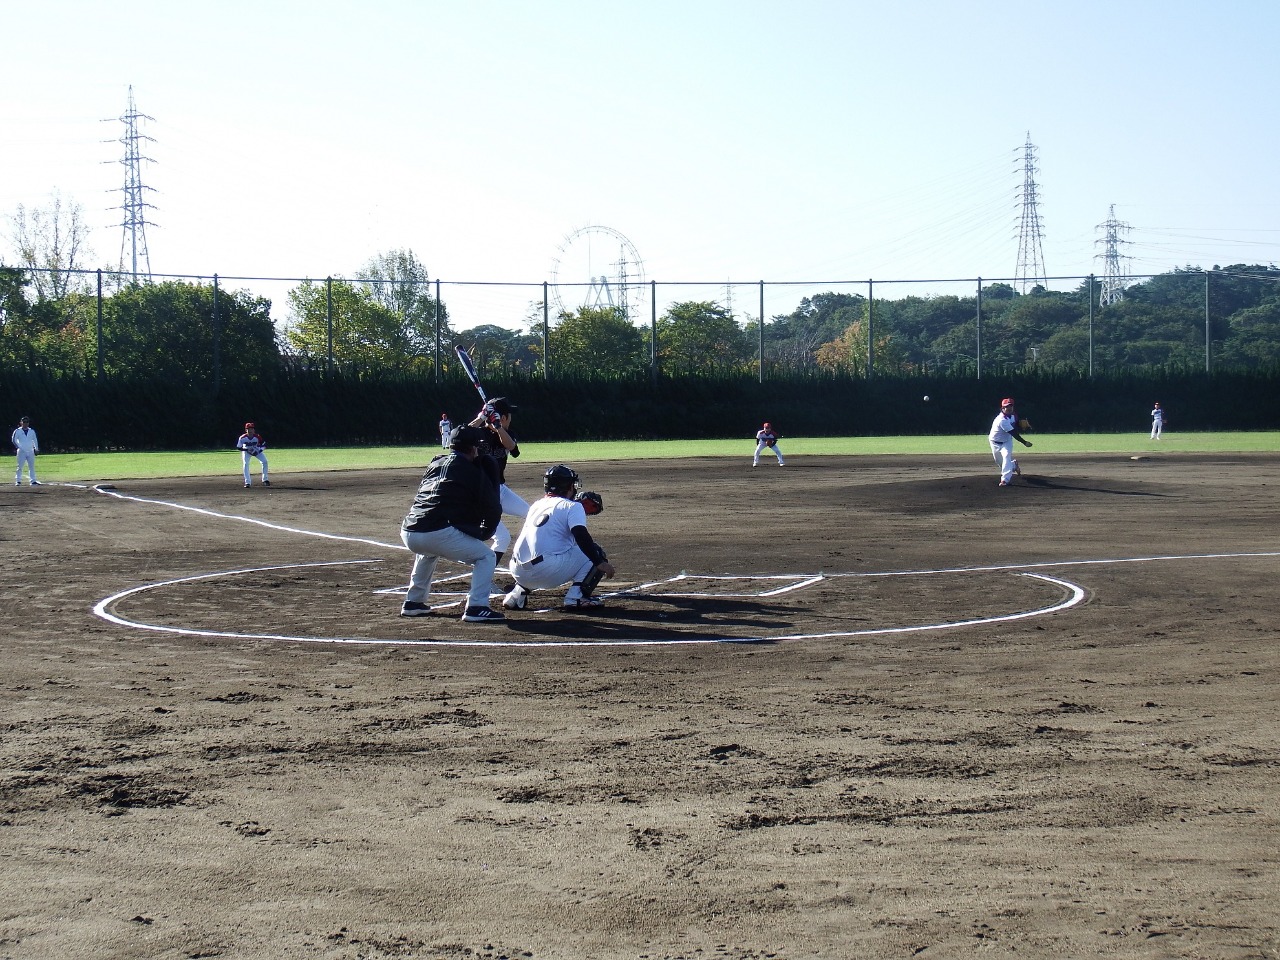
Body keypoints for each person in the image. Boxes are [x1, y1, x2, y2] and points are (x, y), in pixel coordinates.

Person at [399, 425, 505, 623]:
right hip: (435, 531)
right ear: (473, 448)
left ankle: (413, 602)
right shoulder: (472, 470)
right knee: (486, 556)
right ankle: (477, 606)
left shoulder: (435, 463)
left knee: (427, 552)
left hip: (409, 530)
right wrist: (485, 532)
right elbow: (491, 506)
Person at [503, 464, 614, 612]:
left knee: (538, 551)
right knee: (595, 551)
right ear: (568, 486)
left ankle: (516, 596)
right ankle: (577, 597)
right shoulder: (573, 507)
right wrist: (599, 563)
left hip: (517, 572)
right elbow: (581, 536)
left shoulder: (537, 505)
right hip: (547, 572)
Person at [467, 397, 529, 576]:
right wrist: (481, 417)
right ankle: (483, 578)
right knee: (502, 538)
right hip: (480, 496)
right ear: (503, 417)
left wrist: (498, 427)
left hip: (499, 490)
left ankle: (525, 558)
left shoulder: (507, 433)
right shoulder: (477, 434)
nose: (511, 419)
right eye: (509, 416)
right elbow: (461, 434)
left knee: (533, 515)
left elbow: (513, 449)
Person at [989, 397, 1032, 487]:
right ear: (1002, 408)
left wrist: (1020, 425)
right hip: (994, 442)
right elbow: (1013, 433)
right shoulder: (1002, 420)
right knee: (1000, 463)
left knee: (1006, 457)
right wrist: (1024, 442)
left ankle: (1005, 480)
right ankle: (1014, 465)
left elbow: (1015, 423)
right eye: (1006, 406)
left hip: (1007, 442)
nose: (1009, 408)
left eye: (1010, 406)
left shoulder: (1014, 415)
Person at [236, 422, 270, 487]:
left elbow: (264, 445)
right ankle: (247, 482)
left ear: (254, 430)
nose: (250, 430)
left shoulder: (257, 437)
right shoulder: (242, 438)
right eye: (248, 429)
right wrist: (247, 450)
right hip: (246, 451)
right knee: (246, 464)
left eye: (251, 429)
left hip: (256, 450)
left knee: (264, 461)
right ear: (246, 430)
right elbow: (238, 447)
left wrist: (259, 451)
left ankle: (265, 480)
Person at [11, 415, 41, 486]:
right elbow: (14, 440)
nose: (26, 423)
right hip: (21, 451)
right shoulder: (17, 431)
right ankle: (18, 480)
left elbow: (34, 440)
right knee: (20, 466)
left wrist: (36, 449)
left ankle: (33, 480)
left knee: (31, 466)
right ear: (21, 423)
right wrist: (19, 447)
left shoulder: (31, 431)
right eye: (24, 422)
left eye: (27, 422)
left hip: (30, 451)